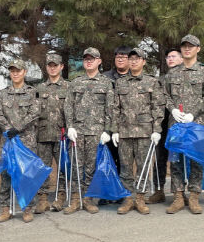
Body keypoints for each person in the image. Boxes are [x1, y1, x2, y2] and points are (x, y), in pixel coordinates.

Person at [162, 35, 204, 214]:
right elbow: (165, 95)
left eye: (191, 46)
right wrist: (172, 110)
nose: (187, 49)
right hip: (175, 123)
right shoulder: (173, 72)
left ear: (198, 49)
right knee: (175, 160)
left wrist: (194, 113)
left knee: (195, 160)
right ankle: (178, 196)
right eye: (184, 46)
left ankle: (193, 196)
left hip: (196, 123)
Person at [63, 47, 117, 215]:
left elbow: (111, 108)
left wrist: (108, 130)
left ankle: (88, 199)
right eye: (86, 58)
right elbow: (68, 106)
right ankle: (75, 199)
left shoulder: (106, 83)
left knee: (91, 167)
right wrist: (70, 126)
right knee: (75, 166)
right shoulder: (75, 82)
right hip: (77, 132)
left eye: (92, 59)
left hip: (96, 132)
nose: (88, 61)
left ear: (99, 61)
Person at [113, 48, 165, 215]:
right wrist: (114, 130)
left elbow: (158, 107)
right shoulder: (120, 83)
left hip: (145, 132)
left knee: (143, 167)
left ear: (144, 61)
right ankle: (128, 198)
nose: (134, 61)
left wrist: (157, 129)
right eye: (131, 58)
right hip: (125, 131)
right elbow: (115, 108)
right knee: (126, 168)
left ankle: (140, 198)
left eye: (137, 58)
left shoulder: (152, 82)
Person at [0, 59, 40, 223]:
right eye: (12, 70)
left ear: (24, 72)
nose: (15, 73)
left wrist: (17, 128)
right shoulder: (2, 94)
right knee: (6, 173)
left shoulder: (32, 92)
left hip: (26, 140)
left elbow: (34, 113)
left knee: (26, 174)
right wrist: (7, 129)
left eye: (18, 70)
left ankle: (27, 208)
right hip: (9, 140)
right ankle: (6, 209)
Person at [147, 48, 183, 205]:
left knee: (177, 159)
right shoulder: (160, 80)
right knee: (159, 158)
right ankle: (158, 189)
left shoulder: (186, 78)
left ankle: (179, 192)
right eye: (168, 57)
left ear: (182, 59)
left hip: (178, 124)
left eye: (174, 56)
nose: (170, 59)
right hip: (161, 123)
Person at [35, 53, 69, 213]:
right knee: (43, 168)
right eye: (50, 65)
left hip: (62, 135)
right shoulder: (39, 89)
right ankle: (42, 199)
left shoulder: (69, 87)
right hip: (43, 135)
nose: (53, 68)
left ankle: (60, 197)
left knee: (63, 167)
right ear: (46, 67)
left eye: (55, 65)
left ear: (61, 66)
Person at [100, 46, 131, 202]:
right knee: (108, 159)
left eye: (124, 56)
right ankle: (106, 193)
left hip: (127, 126)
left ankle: (121, 192)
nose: (120, 59)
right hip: (107, 126)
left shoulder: (134, 77)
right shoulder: (105, 77)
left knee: (124, 161)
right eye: (118, 56)